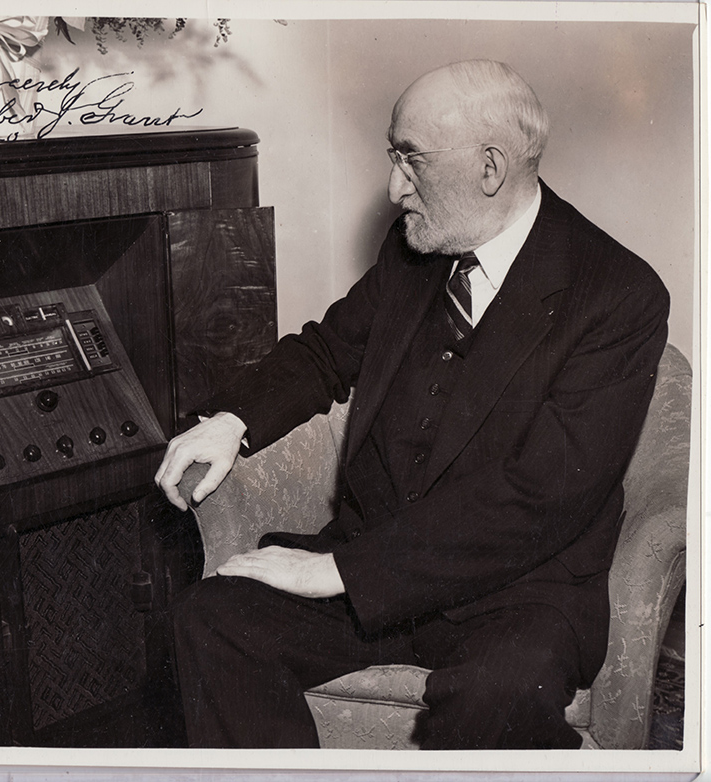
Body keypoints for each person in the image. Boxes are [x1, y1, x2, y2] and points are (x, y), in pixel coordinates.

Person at [154, 59, 670, 749]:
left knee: (494, 696)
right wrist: (231, 421)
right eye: (392, 156)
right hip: (374, 567)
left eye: (412, 160)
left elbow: (540, 499)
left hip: (515, 594)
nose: (395, 188)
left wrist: (335, 570)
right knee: (210, 619)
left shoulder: (616, 294)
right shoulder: (416, 249)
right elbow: (326, 351)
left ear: (490, 168)